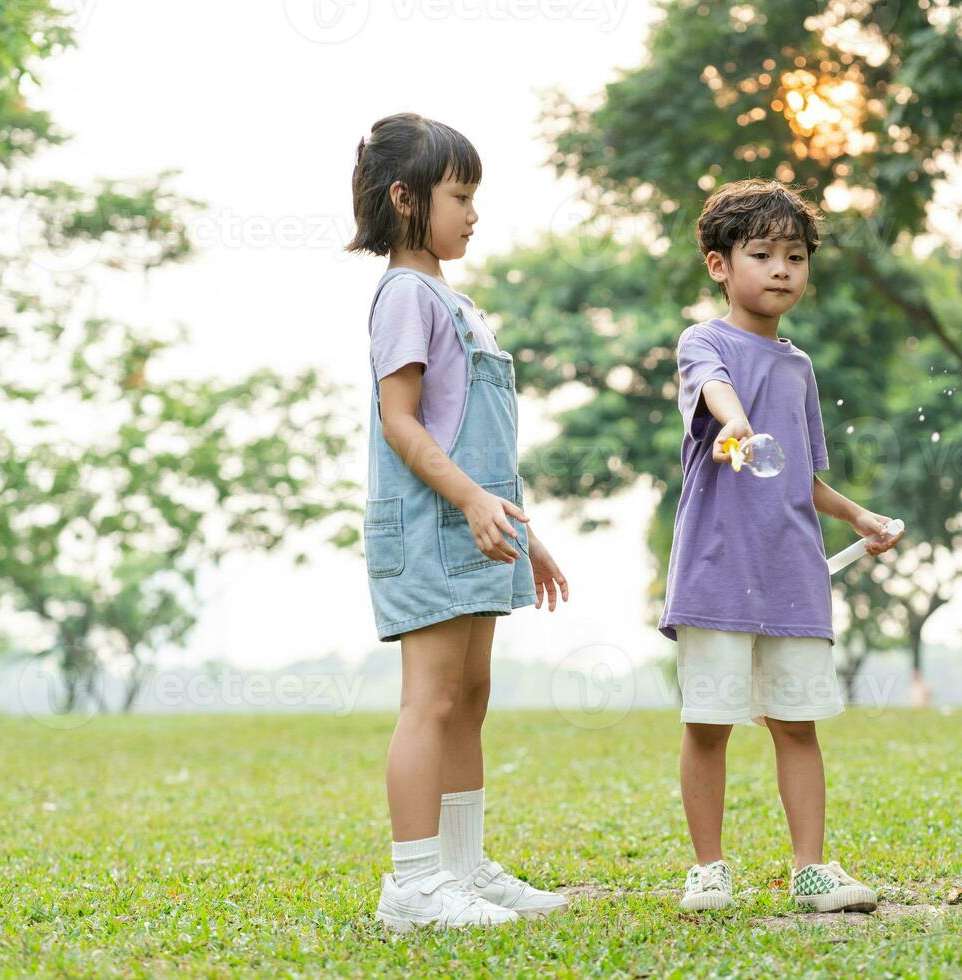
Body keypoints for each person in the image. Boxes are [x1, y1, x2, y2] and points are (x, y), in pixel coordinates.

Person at [348, 112, 571, 931]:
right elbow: (402, 421)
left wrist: (521, 526)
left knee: (470, 695)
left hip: (475, 522)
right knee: (431, 700)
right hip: (432, 523)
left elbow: (477, 438)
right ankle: (412, 883)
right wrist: (473, 501)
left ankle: (461, 867)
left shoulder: (455, 298)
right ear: (406, 198)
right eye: (460, 195)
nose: (473, 213)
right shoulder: (406, 295)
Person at [658, 178, 904, 914]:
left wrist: (860, 517)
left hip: (793, 575)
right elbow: (713, 389)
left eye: (794, 256)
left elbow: (801, 476)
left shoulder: (799, 368)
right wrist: (733, 423)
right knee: (709, 726)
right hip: (716, 571)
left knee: (797, 726)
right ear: (718, 265)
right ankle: (709, 869)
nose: (780, 270)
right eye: (760, 253)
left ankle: (812, 870)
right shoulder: (703, 341)